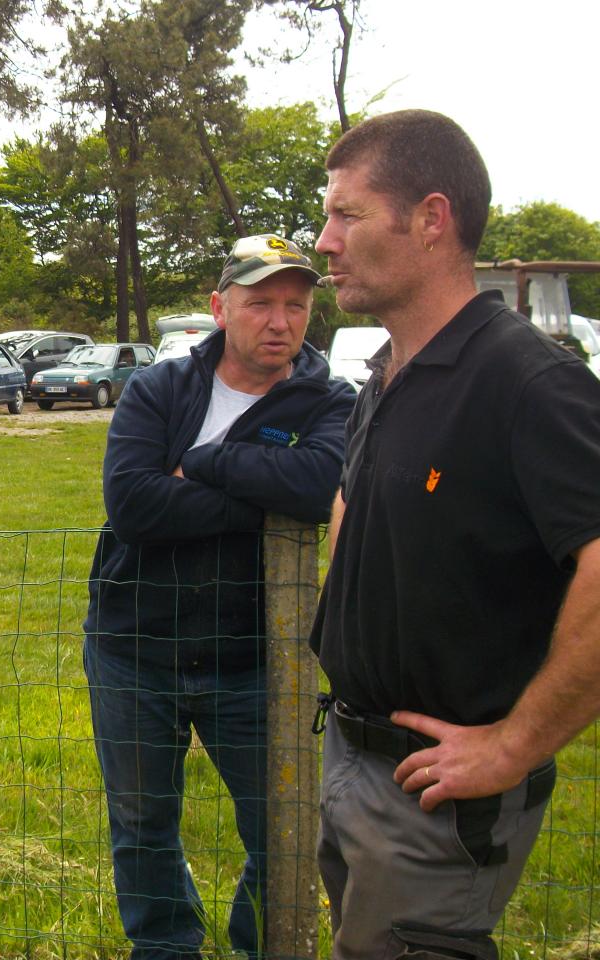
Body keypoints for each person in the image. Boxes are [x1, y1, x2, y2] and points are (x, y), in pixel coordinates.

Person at [311, 109, 600, 959]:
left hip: (437, 797)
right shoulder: (388, 374)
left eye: (348, 214)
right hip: (355, 758)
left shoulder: (527, 382)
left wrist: (514, 745)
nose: (325, 241)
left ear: (432, 219)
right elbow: (355, 511)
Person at [84, 234, 355, 959]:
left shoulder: (330, 400)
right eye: (260, 303)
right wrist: (264, 492)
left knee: (282, 826)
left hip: (256, 659)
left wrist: (201, 463)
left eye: (295, 305)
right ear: (220, 307)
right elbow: (134, 506)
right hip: (134, 647)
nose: (280, 321)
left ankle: (257, 941)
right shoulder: (160, 389)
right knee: (142, 822)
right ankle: (166, 946)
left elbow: (321, 483)